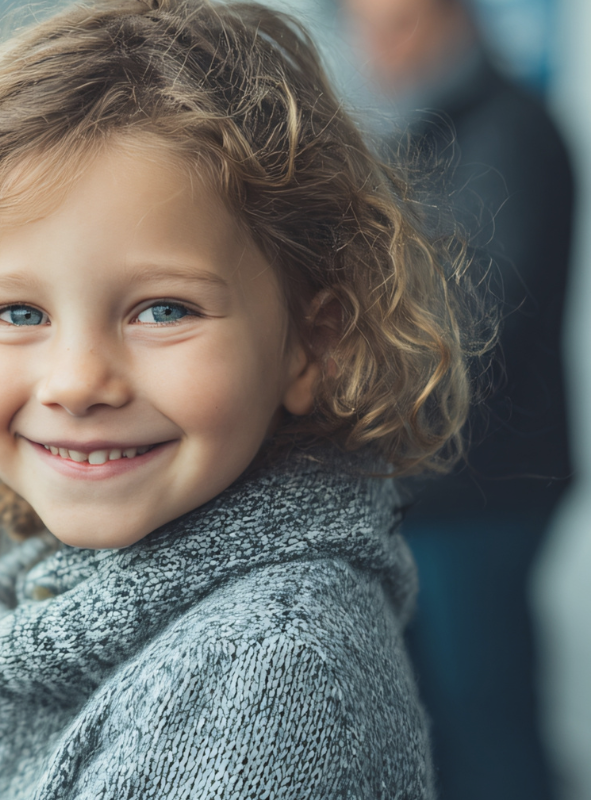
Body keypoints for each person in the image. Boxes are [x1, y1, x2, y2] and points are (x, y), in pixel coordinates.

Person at [0, 0, 485, 795]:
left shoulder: (267, 678)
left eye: (163, 310)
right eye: (18, 313)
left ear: (312, 342)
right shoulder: (115, 591)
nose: (76, 381)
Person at [344, 2, 574, 798]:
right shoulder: (421, 130)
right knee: (436, 732)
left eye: (400, 23)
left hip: (479, 488)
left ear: (460, 17)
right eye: (367, 27)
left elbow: (473, 320)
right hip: (428, 487)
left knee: (485, 732)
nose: (379, 47)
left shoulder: (507, 129)